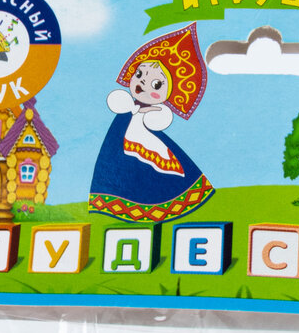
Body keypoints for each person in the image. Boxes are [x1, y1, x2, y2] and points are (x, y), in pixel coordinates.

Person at [89, 26, 215, 222]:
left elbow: (158, 120)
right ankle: (113, 202)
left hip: (144, 139)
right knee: (117, 166)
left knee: (153, 170)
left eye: (156, 84)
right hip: (121, 140)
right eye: (139, 74)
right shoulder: (124, 110)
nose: (142, 84)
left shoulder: (157, 115)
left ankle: (153, 204)